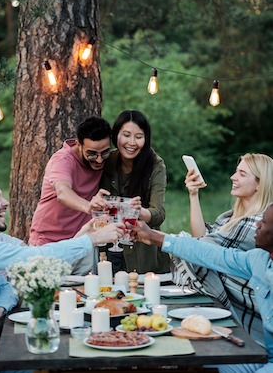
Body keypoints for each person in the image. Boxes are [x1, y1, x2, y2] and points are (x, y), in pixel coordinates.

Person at [0, 172, 125, 373]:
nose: (6, 202)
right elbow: (36, 258)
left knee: (40, 358)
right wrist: (92, 239)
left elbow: (6, 285)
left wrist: (0, 306)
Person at [128, 202, 273, 373]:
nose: (257, 224)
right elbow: (212, 254)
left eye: (263, 222)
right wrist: (153, 237)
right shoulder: (259, 260)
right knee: (199, 365)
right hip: (265, 356)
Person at [172, 153, 273, 346]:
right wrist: (194, 195)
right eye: (236, 172)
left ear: (260, 183)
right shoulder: (232, 217)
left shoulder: (255, 225)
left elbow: (201, 248)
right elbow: (200, 239)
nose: (233, 177)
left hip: (249, 322)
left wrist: (165, 240)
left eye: (242, 174)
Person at [29, 116, 112, 275]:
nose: (99, 159)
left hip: (83, 243)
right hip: (50, 244)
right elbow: (62, 192)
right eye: (92, 154)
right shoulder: (62, 160)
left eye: (105, 152)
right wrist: (88, 206)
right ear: (79, 144)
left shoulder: (106, 158)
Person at [100, 110, 170, 274]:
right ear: (116, 134)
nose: (132, 143)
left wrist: (139, 212)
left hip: (142, 249)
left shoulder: (155, 164)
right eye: (126, 135)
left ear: (145, 140)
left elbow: (158, 213)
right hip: (110, 244)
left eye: (138, 137)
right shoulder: (106, 160)